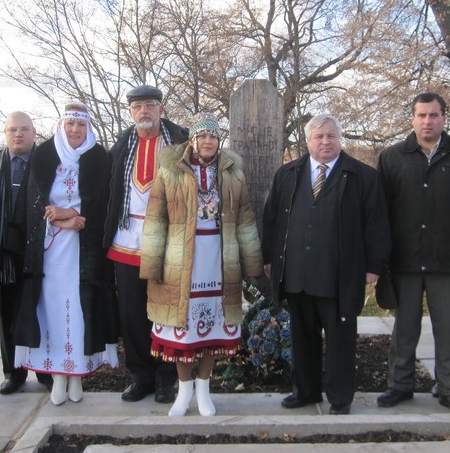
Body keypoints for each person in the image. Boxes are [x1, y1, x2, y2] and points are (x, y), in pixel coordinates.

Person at [262, 114, 389, 415]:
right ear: (307, 141)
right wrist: (269, 259)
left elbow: (376, 223)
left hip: (339, 275)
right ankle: (304, 391)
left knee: (340, 341)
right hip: (298, 274)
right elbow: (271, 220)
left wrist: (373, 265)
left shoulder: (363, 176)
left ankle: (340, 397)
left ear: (339, 138)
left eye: (331, 136)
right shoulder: (287, 174)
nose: (325, 142)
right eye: (318, 137)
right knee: (302, 338)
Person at [140, 112, 263, 416]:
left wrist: (252, 265)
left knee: (213, 329)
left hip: (220, 260)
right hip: (180, 261)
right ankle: (184, 392)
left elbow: (245, 221)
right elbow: (155, 221)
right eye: (202, 136)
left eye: (213, 136)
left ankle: (204, 391)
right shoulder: (170, 172)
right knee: (183, 328)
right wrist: (152, 266)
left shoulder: (233, 175)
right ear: (192, 140)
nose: (208, 141)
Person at [377, 93, 450, 414]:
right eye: (422, 115)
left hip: (447, 260)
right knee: (405, 327)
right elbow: (380, 212)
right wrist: (380, 258)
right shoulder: (392, 157)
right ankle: (399, 385)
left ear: (444, 118)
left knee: (447, 329)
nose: (427, 121)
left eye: (434, 115)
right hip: (405, 260)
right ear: (412, 118)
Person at [14, 103, 119, 405]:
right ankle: (59, 375)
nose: (75, 130)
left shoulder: (99, 158)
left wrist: (76, 216)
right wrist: (62, 219)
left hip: (85, 253)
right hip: (50, 251)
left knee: (80, 309)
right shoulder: (44, 156)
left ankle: (78, 375)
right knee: (53, 310)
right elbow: (33, 205)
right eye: (70, 124)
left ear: (88, 127)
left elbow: (105, 203)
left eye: (81, 125)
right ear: (61, 125)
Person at [104, 84, 188, 404]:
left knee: (165, 310)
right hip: (127, 239)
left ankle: (166, 377)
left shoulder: (181, 141)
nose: (144, 111)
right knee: (132, 313)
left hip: (167, 239)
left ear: (161, 109)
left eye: (150, 105)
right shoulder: (121, 145)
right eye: (137, 106)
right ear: (130, 112)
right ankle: (140, 375)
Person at [0, 111, 53, 394]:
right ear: (5, 133)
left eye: (24, 129)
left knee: (42, 311)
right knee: (9, 313)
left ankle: (45, 371)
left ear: (34, 132)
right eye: (12, 129)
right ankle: (14, 372)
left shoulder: (49, 163)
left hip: (42, 249)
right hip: (4, 251)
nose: (18, 134)